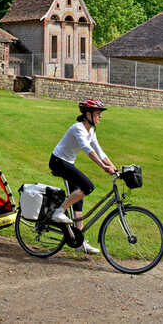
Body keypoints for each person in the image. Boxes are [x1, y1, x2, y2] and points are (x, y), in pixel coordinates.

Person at [49, 98, 116, 254]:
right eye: (98, 114)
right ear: (88, 114)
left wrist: (113, 166)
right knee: (88, 186)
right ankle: (58, 211)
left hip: (68, 163)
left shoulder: (91, 131)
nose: (100, 117)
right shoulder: (78, 128)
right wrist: (104, 167)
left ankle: (79, 242)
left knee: (79, 199)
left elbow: (99, 151)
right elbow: (88, 150)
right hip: (58, 161)